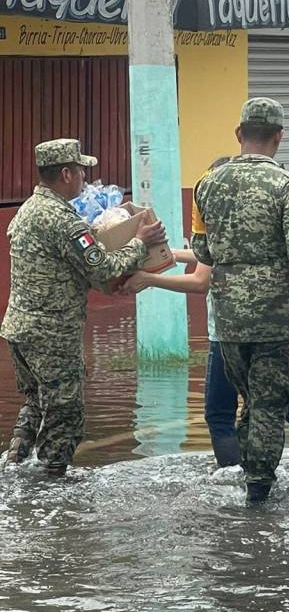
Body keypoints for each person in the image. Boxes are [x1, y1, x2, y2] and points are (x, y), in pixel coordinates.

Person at [191, 98, 289, 505]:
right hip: (277, 319)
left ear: (239, 134)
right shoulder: (288, 186)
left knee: (250, 406)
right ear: (279, 136)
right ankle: (259, 495)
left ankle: (246, 481)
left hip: (230, 318)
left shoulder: (207, 184)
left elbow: (202, 250)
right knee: (271, 407)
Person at [0, 139, 167, 477]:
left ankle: (13, 468)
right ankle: (52, 484)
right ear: (65, 173)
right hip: (52, 335)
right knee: (65, 412)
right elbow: (102, 269)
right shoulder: (64, 221)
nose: (83, 178)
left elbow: (66, 267)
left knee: (35, 402)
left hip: (19, 329)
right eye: (79, 171)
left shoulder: (29, 210)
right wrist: (141, 243)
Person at [122, 244, 289, 471]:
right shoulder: (266, 206)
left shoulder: (215, 205)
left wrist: (149, 279)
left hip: (230, 331)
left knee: (219, 414)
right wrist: (171, 254)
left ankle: (238, 479)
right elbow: (219, 253)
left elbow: (201, 280)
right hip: (275, 327)